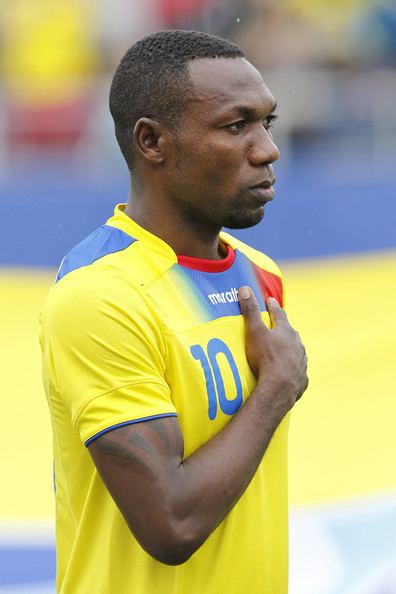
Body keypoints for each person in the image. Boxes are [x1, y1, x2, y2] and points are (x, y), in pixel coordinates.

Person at [40, 30, 308, 594]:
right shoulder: (102, 295)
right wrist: (276, 389)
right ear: (152, 142)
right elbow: (171, 523)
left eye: (267, 123)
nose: (267, 149)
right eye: (236, 126)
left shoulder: (261, 275)